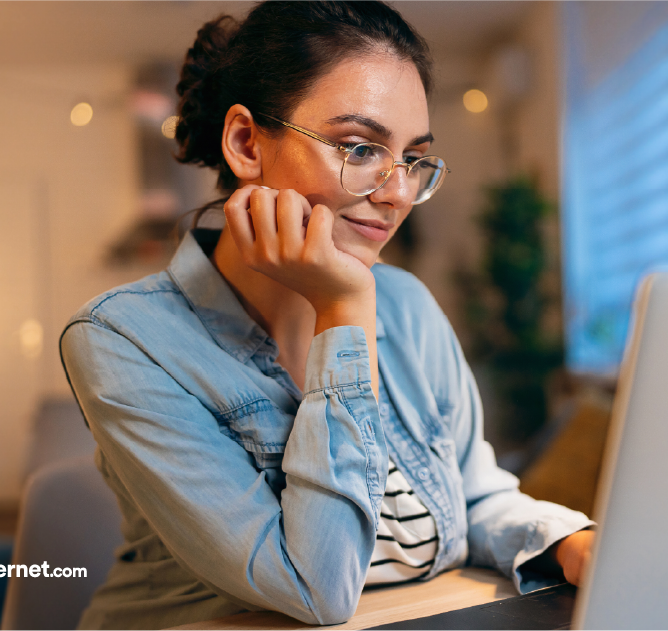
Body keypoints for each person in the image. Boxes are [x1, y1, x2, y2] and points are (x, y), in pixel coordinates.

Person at [60, 1, 595, 629]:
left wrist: (570, 543)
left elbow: (473, 493)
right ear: (245, 143)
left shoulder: (407, 305)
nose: (397, 192)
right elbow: (314, 589)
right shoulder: (125, 340)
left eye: (413, 158)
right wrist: (342, 312)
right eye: (360, 147)